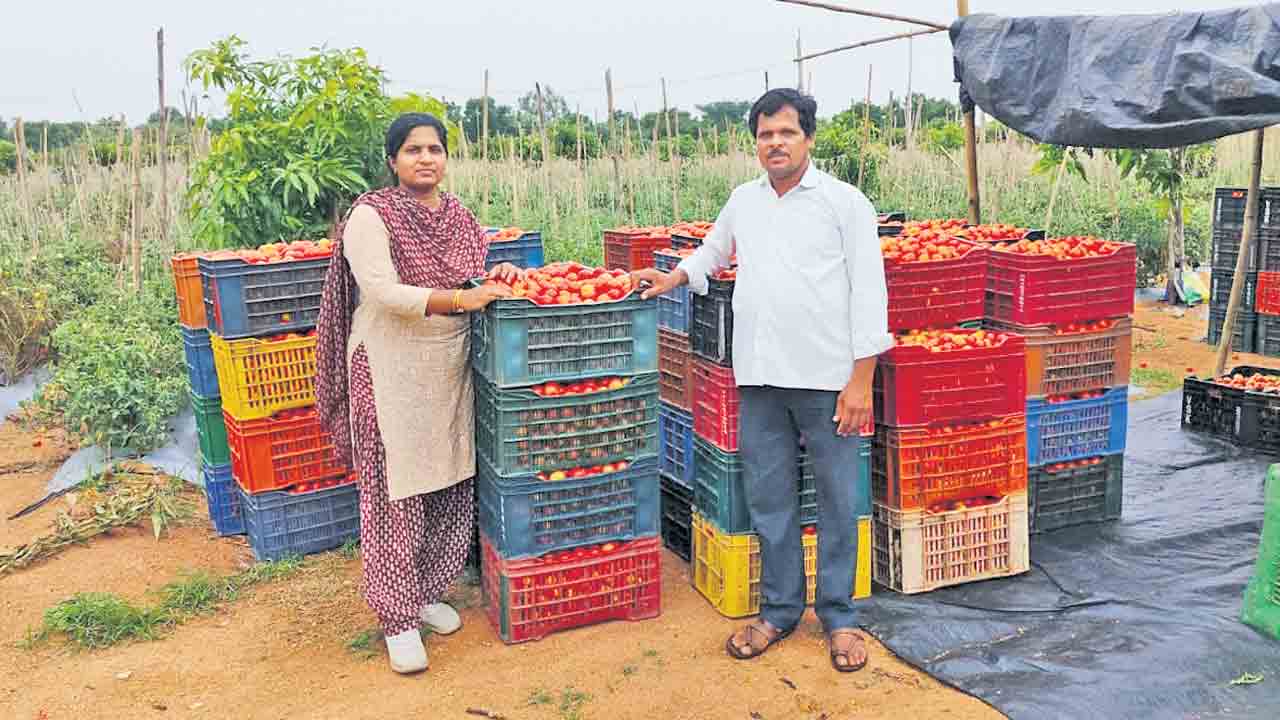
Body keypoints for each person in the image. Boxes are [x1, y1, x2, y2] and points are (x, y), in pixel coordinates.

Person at [633, 88, 891, 673]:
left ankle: (840, 616)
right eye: (765, 134)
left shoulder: (844, 203)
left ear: (809, 138)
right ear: (755, 141)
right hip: (759, 377)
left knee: (835, 499)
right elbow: (713, 253)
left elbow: (871, 295)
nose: (775, 143)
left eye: (787, 132)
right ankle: (778, 609)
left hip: (827, 378)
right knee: (770, 499)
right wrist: (675, 276)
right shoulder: (743, 201)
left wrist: (860, 381)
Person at [315, 113, 520, 675]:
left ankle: (428, 592)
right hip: (389, 367)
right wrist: (463, 301)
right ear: (392, 160)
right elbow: (380, 290)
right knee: (395, 491)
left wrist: (489, 278)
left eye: (434, 149)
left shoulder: (457, 214)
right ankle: (396, 618)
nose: (425, 159)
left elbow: (468, 278)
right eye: (412, 150)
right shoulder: (371, 215)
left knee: (448, 480)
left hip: (446, 364)